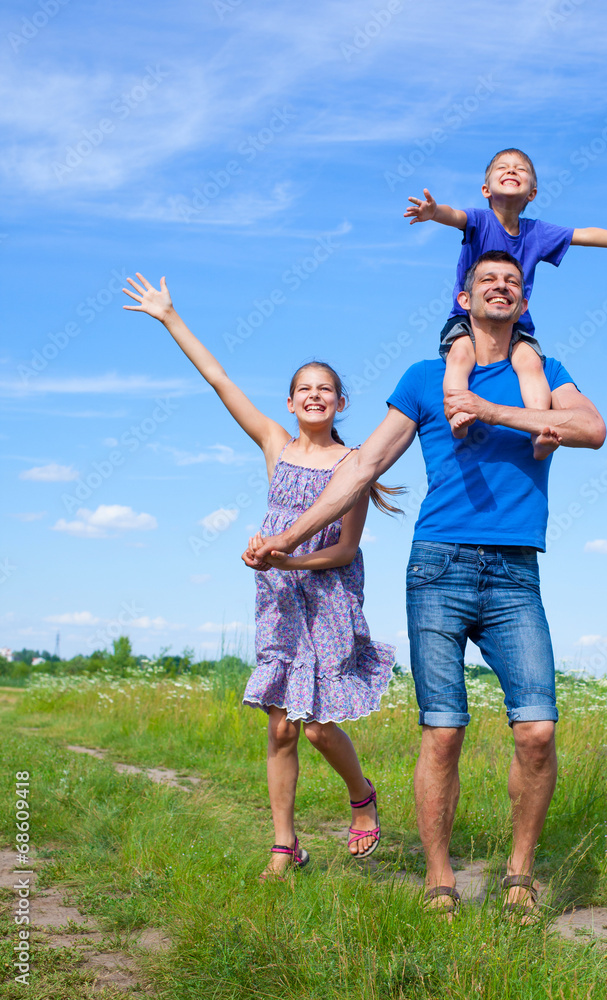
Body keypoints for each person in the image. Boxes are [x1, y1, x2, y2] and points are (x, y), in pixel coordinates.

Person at [244, 251, 607, 916]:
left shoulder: (546, 375)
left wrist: (492, 412)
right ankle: (440, 879)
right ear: (464, 301)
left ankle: (519, 874)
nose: (500, 288)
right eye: (487, 281)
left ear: (523, 306)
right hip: (437, 567)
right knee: (444, 731)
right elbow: (363, 466)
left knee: (538, 732)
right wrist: (289, 539)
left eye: (513, 283)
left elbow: (591, 429)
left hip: (515, 573)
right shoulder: (423, 378)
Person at [123, 273, 399, 877]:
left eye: (326, 389)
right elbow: (220, 380)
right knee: (280, 728)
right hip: (278, 599)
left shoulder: (355, 465)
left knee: (323, 728)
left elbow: (346, 552)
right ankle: (285, 845)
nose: (315, 396)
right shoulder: (275, 444)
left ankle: (362, 796)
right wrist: (170, 318)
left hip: (327, 597)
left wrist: (289, 557)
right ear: (291, 402)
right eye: (304, 389)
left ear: (341, 403)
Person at [404, 147, 607, 456]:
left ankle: (540, 433)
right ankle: (457, 410)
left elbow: (585, 234)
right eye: (502, 167)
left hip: (515, 324)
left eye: (521, 169)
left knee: (530, 364)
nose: (512, 170)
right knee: (460, 353)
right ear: (485, 190)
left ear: (532, 192)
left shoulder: (537, 232)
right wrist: (433, 213)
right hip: (467, 319)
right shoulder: (479, 221)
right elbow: (454, 216)